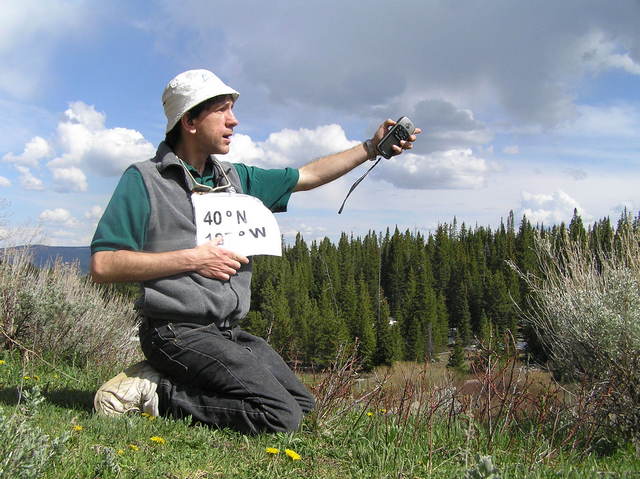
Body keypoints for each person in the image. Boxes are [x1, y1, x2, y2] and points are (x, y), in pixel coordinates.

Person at [91, 69, 420, 434]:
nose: (234, 120)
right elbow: (104, 265)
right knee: (280, 417)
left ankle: (178, 381)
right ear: (190, 121)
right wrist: (193, 258)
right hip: (174, 331)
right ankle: (154, 393)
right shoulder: (144, 180)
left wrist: (371, 147)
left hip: (227, 331)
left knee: (303, 407)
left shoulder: (236, 179)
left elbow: (306, 176)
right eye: (222, 110)